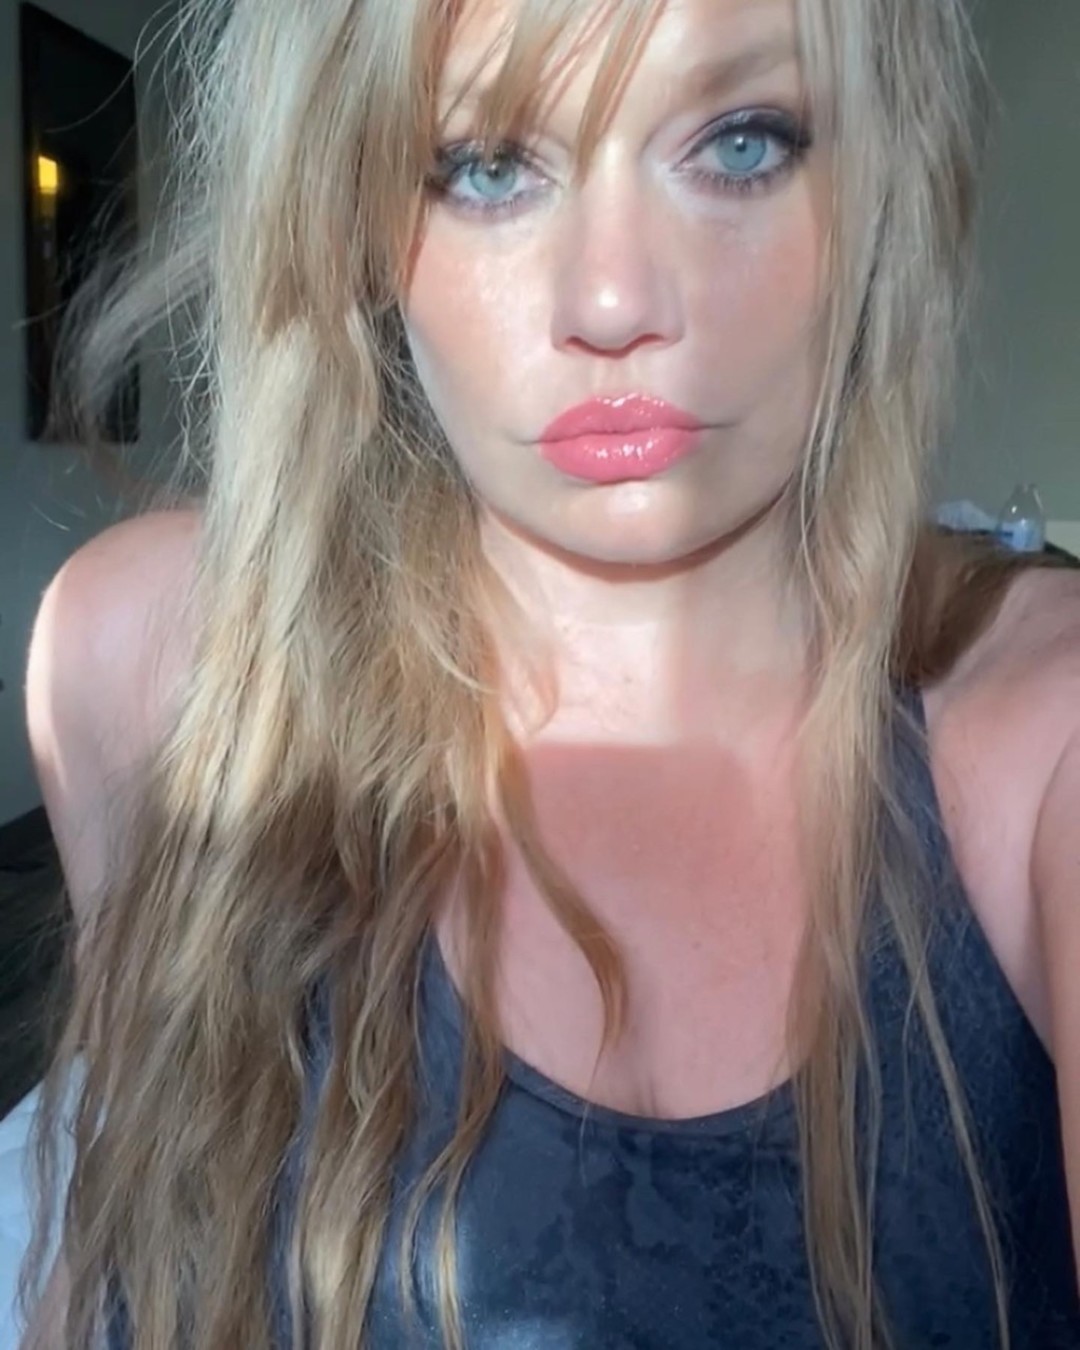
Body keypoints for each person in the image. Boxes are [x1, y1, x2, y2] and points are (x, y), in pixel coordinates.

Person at [17, 0, 1080, 1345]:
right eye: (485, 167)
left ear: (882, 177)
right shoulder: (155, 664)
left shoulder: (1040, 746)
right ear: (349, 216)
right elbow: (113, 1250)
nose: (613, 302)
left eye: (742, 143)